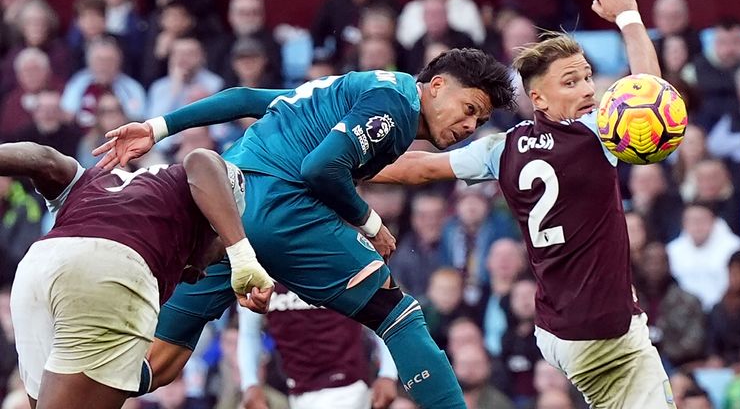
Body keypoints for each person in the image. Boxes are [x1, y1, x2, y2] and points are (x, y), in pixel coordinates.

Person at [94, 46, 515, 408]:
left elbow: (243, 98)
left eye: (479, 123)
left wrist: (156, 126)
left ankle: (72, 383)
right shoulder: (396, 105)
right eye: (469, 110)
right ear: (437, 85)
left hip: (221, 211)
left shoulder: (354, 89)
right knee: (398, 315)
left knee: (161, 361)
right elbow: (321, 168)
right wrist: (370, 223)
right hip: (279, 209)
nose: (469, 127)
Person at [369, 0, 675, 407]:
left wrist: (341, 167)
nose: (588, 89)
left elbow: (417, 168)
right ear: (539, 99)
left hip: (553, 328)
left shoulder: (503, 146)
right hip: (603, 331)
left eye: (587, 76)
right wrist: (628, 17)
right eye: (571, 82)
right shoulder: (595, 134)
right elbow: (649, 92)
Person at [5, 142, 273, 409]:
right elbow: (201, 160)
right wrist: (241, 254)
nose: (202, 273)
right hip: (111, 271)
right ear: (213, 216)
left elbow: (45, 159)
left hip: (36, 268)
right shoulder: (189, 184)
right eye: (217, 255)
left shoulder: (95, 182)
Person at [237, 283, 398, 409]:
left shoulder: (338, 254)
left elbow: (384, 313)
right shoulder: (260, 268)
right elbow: (249, 332)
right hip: (298, 388)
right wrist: (250, 383)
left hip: (346, 386)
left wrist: (388, 373)